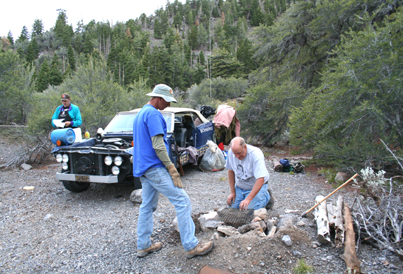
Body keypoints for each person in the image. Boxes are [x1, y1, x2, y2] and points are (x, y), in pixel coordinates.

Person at [132, 84, 214, 258]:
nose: (168, 105)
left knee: (147, 206)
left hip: (143, 169)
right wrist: (171, 167)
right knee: (183, 201)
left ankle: (143, 245)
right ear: (159, 98)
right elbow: (158, 145)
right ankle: (191, 246)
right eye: (167, 101)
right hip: (154, 167)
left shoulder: (141, 113)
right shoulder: (153, 114)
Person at [226, 137, 271, 211]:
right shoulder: (231, 152)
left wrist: (248, 199)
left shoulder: (256, 154)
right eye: (235, 154)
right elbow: (230, 171)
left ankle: (266, 196)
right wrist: (232, 192)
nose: (237, 156)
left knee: (249, 209)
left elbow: (260, 179)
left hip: (255, 187)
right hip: (240, 187)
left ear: (245, 147)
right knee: (232, 208)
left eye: (239, 153)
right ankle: (245, 197)